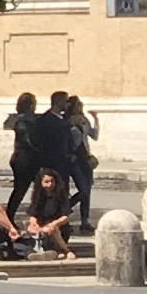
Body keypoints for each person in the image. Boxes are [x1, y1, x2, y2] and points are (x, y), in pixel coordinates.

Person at [53, 89, 96, 232]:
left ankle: (85, 221)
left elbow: (94, 135)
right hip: (74, 158)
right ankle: (65, 211)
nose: (79, 106)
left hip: (85, 157)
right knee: (83, 189)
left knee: (87, 189)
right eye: (77, 104)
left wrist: (95, 119)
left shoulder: (83, 119)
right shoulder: (65, 121)